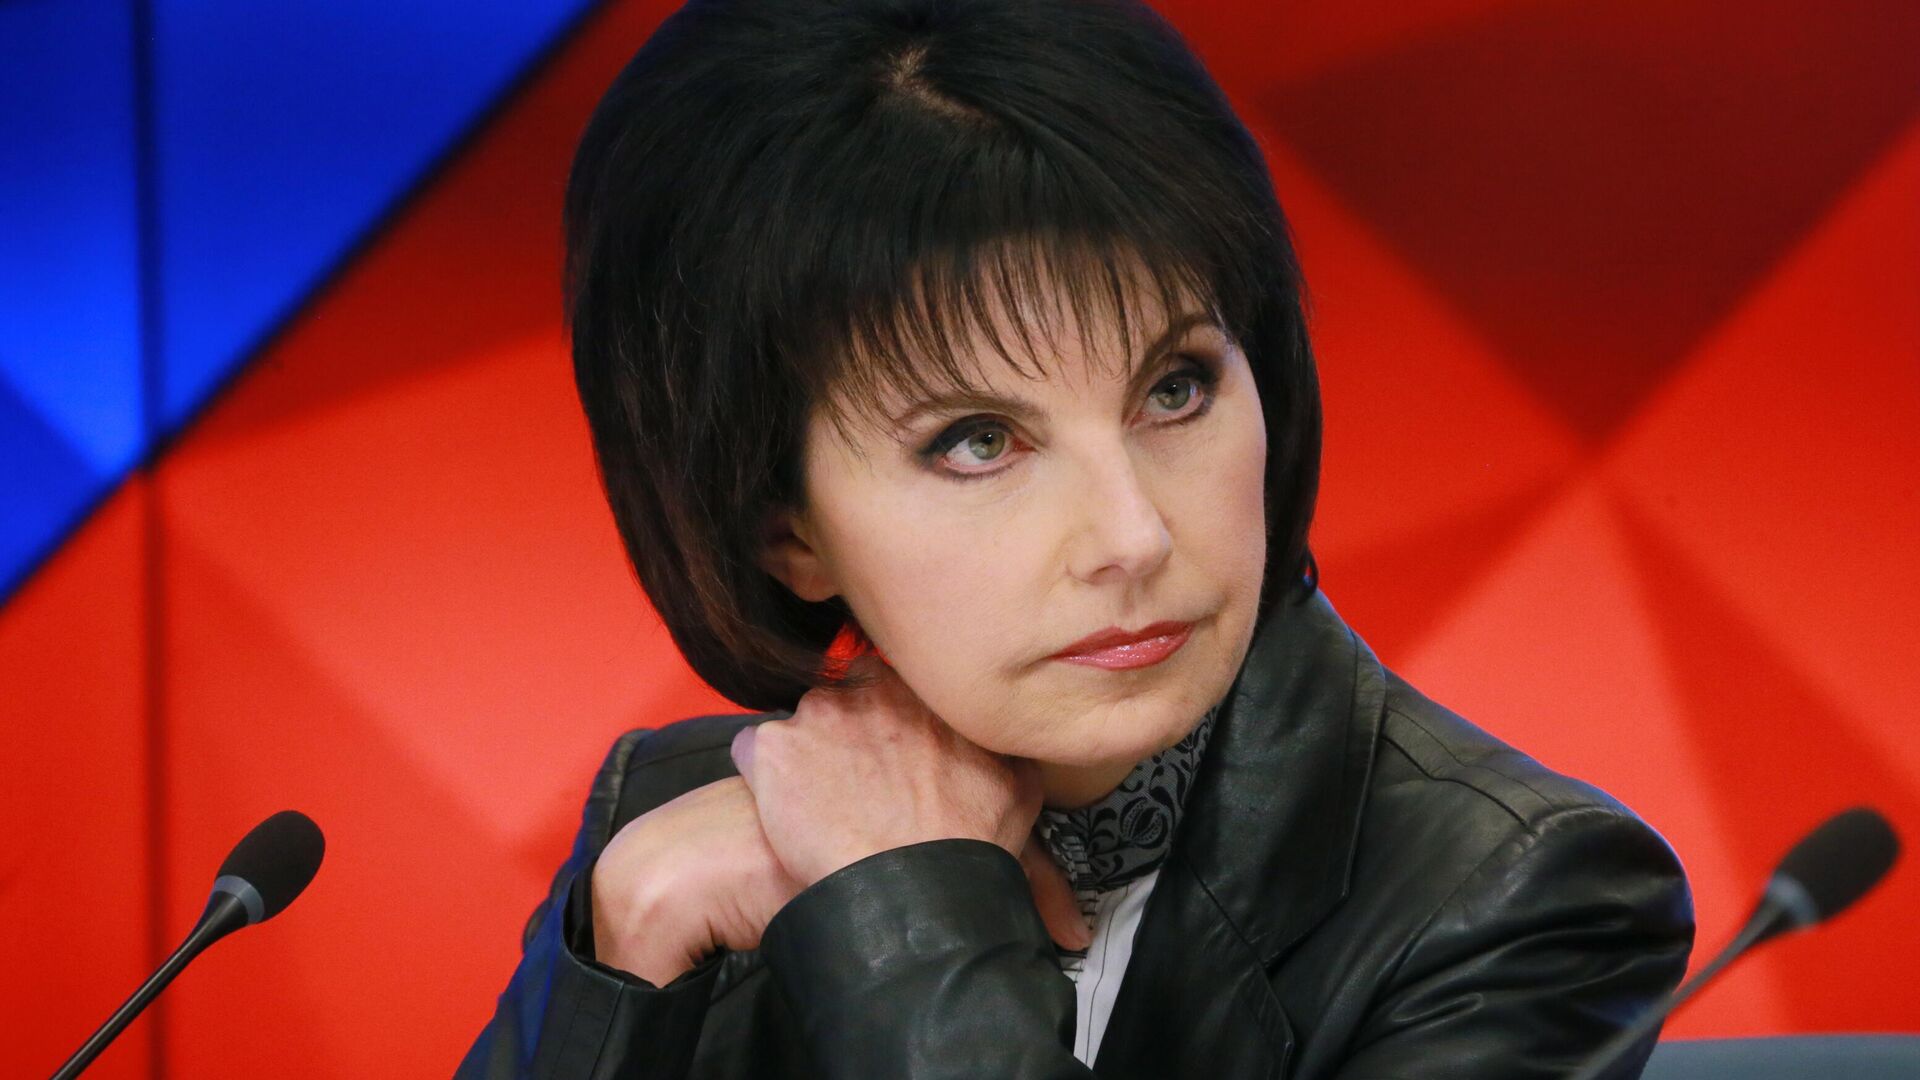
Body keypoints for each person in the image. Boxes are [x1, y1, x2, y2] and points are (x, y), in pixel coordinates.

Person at [459, 0, 1696, 1076]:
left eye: (1176, 389)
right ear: (785, 532)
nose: (1132, 535)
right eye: (978, 441)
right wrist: (627, 947)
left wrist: (902, 919)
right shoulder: (674, 830)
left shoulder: (1519, 900)